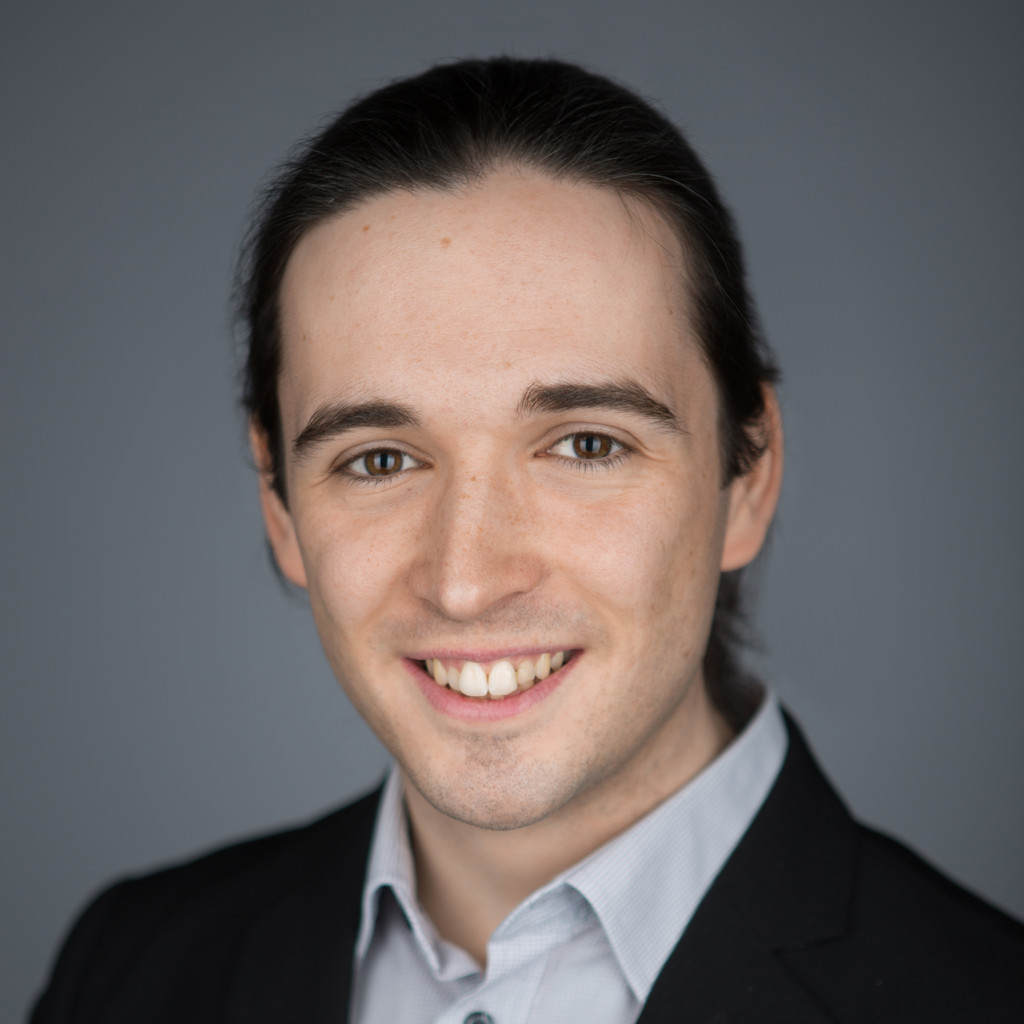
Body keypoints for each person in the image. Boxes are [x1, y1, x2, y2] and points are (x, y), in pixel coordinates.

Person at [31, 57, 1023, 1023]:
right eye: (380, 460)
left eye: (586, 445)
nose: (465, 582)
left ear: (748, 473)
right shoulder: (128, 972)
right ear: (279, 505)